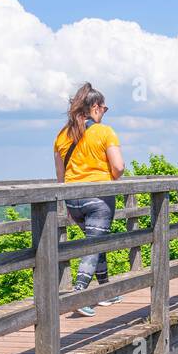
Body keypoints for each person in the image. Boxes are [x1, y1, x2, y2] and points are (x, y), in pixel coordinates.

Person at [54, 84, 125, 317]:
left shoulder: (62, 136)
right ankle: (79, 294)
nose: (104, 112)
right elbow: (118, 167)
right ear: (94, 108)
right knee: (93, 245)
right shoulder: (104, 132)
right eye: (104, 108)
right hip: (98, 198)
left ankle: (105, 291)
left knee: (96, 241)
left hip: (73, 200)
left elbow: (60, 177)